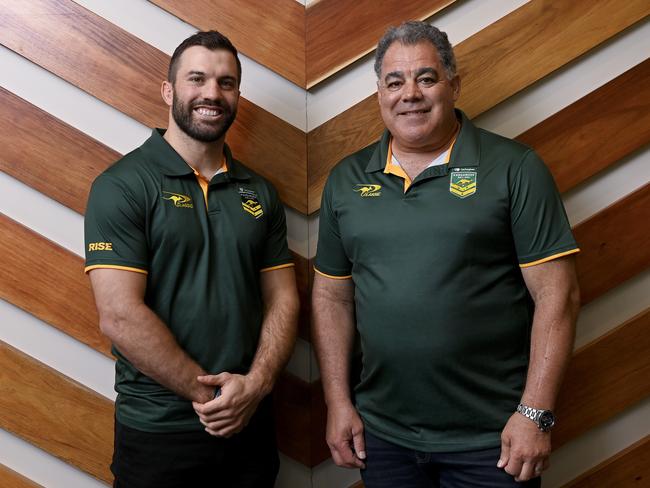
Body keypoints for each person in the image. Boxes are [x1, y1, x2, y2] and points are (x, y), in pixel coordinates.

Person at [312, 21, 581, 488]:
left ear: (453, 85)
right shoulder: (346, 179)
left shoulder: (515, 168)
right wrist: (338, 403)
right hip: (383, 437)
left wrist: (535, 414)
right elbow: (331, 298)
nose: (409, 94)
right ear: (379, 93)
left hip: (493, 441)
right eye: (394, 82)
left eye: (427, 78)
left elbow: (560, 296)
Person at [84, 30, 299, 487]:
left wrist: (255, 387)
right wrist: (215, 397)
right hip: (159, 431)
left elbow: (283, 301)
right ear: (168, 90)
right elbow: (120, 316)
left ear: (237, 94)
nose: (211, 93)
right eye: (196, 78)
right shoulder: (122, 185)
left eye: (226, 82)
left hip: (249, 425)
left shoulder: (259, 192)